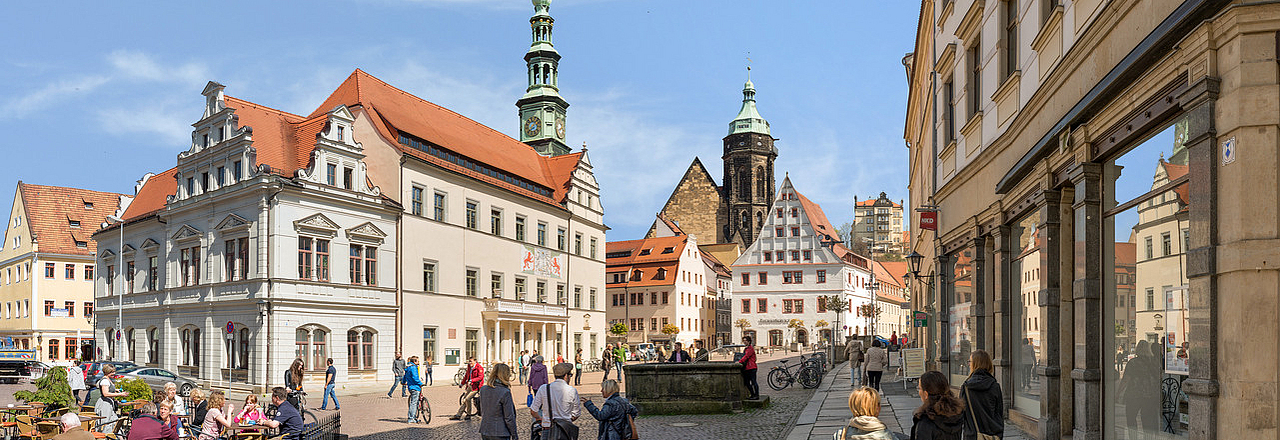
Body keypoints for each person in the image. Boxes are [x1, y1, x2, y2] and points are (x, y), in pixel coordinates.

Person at [959, 350, 1004, 440]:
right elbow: (999, 413)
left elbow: (961, 414)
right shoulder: (995, 386)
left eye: (970, 361)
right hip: (992, 435)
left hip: (972, 435)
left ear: (975, 364)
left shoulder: (967, 387)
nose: (969, 364)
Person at [910, 371, 965, 440]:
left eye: (919, 388)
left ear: (926, 394)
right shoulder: (956, 414)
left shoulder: (925, 422)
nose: (919, 391)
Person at [529, 363, 581, 435]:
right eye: (570, 375)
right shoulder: (572, 390)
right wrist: (567, 420)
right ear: (566, 376)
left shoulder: (544, 388)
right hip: (565, 430)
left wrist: (539, 418)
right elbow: (576, 413)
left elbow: (533, 411)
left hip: (547, 429)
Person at [478, 363, 518, 440]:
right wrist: (514, 434)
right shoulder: (505, 392)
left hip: (485, 430)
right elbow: (509, 417)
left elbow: (482, 410)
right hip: (500, 432)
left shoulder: (483, 389)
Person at [450, 356, 485, 420]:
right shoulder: (469, 367)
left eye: (471, 361)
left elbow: (480, 377)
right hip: (470, 386)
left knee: (467, 399)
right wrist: (462, 383)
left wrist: (472, 380)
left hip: (476, 387)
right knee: (464, 400)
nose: (470, 363)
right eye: (469, 361)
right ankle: (458, 415)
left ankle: (468, 414)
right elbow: (467, 375)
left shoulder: (479, 368)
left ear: (475, 361)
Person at [94, 364, 128, 430]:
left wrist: (115, 390)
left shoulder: (108, 379)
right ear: (107, 372)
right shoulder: (105, 381)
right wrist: (120, 394)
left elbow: (108, 389)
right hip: (105, 404)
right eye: (112, 372)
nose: (114, 373)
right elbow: (105, 394)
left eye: (114, 372)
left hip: (109, 403)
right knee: (106, 422)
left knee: (114, 421)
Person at [405, 356, 424, 423]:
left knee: (414, 402)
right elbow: (415, 377)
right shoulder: (413, 368)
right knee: (413, 403)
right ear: (414, 361)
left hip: (410, 387)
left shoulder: (408, 368)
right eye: (418, 361)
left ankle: (414, 417)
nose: (419, 362)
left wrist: (403, 382)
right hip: (415, 387)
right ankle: (411, 418)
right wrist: (420, 383)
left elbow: (405, 376)